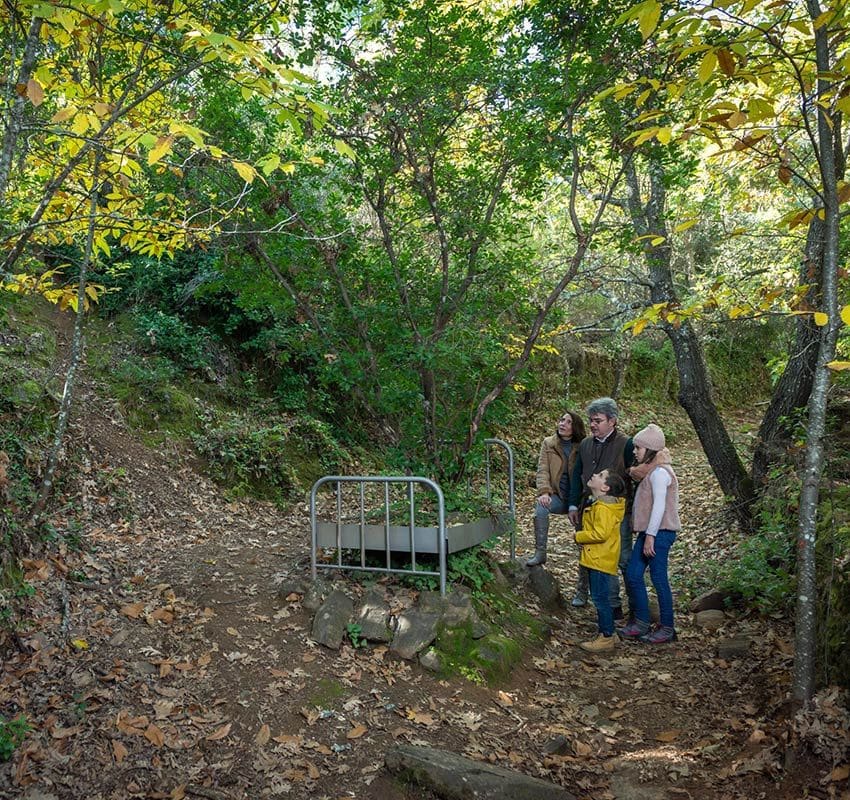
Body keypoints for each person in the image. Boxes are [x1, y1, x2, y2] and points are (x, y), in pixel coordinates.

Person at [568, 398, 635, 617]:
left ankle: (634, 607)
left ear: (612, 421)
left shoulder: (626, 444)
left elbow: (635, 479)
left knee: (622, 559)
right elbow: (576, 475)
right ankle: (611, 607)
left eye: (598, 420)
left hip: (617, 513)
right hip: (589, 509)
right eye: (591, 420)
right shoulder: (586, 444)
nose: (592, 425)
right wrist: (572, 504)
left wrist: (633, 514)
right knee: (594, 557)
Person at [619, 424, 681, 644]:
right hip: (648, 533)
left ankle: (667, 627)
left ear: (650, 450)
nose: (634, 451)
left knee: (658, 579)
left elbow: (659, 507)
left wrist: (651, 537)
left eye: (638, 448)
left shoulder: (660, 473)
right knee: (634, 575)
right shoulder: (650, 471)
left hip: (659, 533)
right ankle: (642, 622)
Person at [575, 469, 626, 653]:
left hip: (600, 560)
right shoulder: (599, 504)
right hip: (597, 558)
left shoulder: (604, 508)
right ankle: (610, 633)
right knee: (600, 597)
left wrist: (579, 536)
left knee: (599, 598)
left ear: (605, 487)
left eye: (600, 475)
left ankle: (606, 636)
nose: (594, 474)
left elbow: (600, 533)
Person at [526, 410, 586, 566]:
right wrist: (544, 492)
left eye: (568, 422)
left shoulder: (584, 445)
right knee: (541, 507)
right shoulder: (549, 443)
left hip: (579, 498)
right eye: (561, 420)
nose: (562, 424)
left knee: (585, 536)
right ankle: (540, 553)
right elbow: (543, 470)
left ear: (576, 427)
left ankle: (585, 577)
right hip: (558, 496)